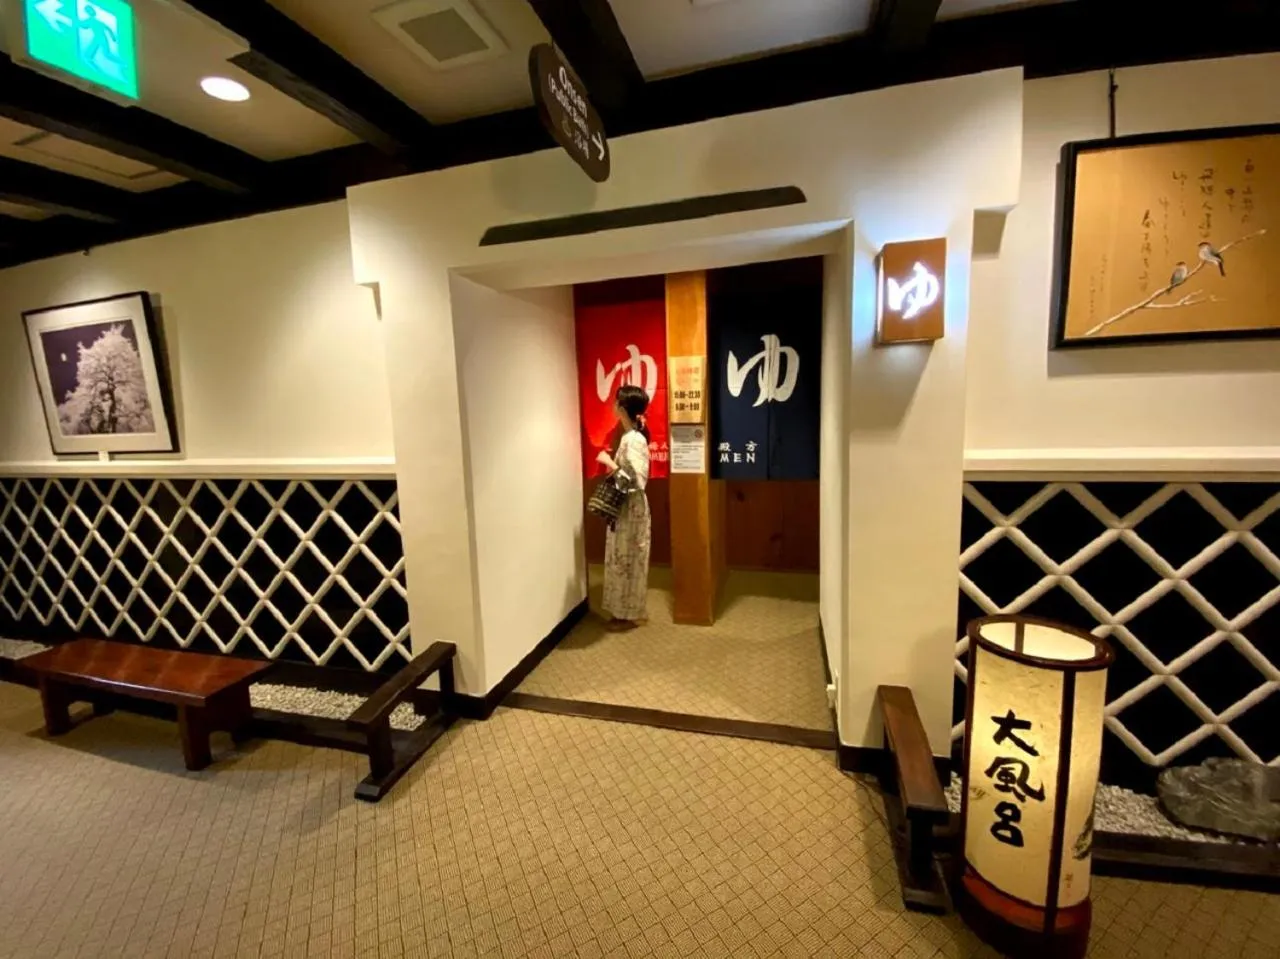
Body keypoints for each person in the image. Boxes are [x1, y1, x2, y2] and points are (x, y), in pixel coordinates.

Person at [596, 384, 652, 631]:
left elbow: (636, 481)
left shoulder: (633, 440)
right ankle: (624, 611)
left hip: (631, 508)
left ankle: (628, 614)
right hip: (627, 508)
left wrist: (609, 462)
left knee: (628, 559)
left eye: (616, 401)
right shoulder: (630, 437)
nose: (613, 405)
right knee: (625, 559)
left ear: (622, 408)